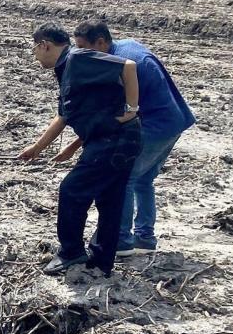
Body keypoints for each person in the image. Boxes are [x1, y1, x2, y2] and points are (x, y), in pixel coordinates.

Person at [18, 23, 143, 277]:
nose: (35, 56)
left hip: (115, 139)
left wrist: (132, 109)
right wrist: (37, 148)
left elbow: (128, 67)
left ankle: (71, 252)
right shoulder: (64, 68)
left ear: (45, 45)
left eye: (35, 50)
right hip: (110, 139)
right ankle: (102, 262)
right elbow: (64, 116)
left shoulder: (78, 58)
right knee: (110, 198)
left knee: (72, 190)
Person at [71, 19, 196, 254]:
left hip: (155, 126)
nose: (81, 55)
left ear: (100, 42)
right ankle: (145, 237)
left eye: (84, 48)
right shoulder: (127, 45)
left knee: (124, 177)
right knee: (143, 180)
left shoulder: (120, 64)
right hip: (175, 122)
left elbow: (123, 110)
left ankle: (121, 240)